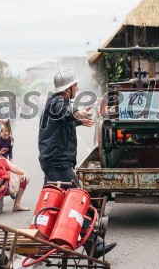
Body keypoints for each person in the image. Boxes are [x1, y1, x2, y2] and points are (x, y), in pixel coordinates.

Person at [38, 68, 116, 258]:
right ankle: (93, 244)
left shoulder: (57, 103)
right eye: (75, 85)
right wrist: (76, 113)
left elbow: (64, 119)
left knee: (50, 202)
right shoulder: (57, 102)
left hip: (53, 161)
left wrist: (78, 120)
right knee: (78, 199)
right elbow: (64, 112)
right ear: (68, 88)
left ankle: (40, 240)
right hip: (58, 162)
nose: (78, 88)